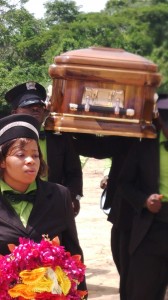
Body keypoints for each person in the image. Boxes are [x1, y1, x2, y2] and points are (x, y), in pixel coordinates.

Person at [0, 113, 87, 296]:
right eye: (20, 154)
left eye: (35, 154)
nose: (31, 160)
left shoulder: (59, 195)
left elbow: (73, 254)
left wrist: (80, 294)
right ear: (2, 161)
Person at [115, 93, 168, 300]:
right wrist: (144, 201)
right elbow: (123, 184)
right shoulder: (144, 147)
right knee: (143, 291)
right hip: (151, 227)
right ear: (160, 120)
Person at [5, 81, 83, 216]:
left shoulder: (60, 138)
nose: (36, 109)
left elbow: (74, 171)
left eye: (40, 106)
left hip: (53, 205)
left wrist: (72, 197)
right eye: (29, 106)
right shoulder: (4, 140)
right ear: (14, 112)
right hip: (11, 206)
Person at [73, 132, 136, 299]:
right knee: (126, 266)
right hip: (127, 211)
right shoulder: (131, 135)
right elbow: (99, 147)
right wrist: (66, 133)